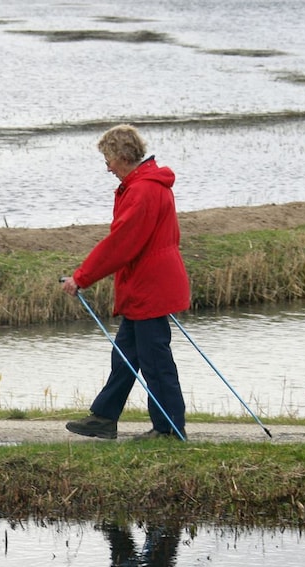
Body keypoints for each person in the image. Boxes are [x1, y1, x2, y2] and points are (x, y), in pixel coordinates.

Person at [61, 124, 189, 441]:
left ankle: (169, 429)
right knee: (126, 356)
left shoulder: (144, 189)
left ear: (122, 155)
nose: (107, 167)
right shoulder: (143, 185)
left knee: (156, 361)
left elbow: (121, 244)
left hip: (151, 287)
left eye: (108, 160)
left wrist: (81, 277)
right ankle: (104, 417)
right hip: (144, 285)